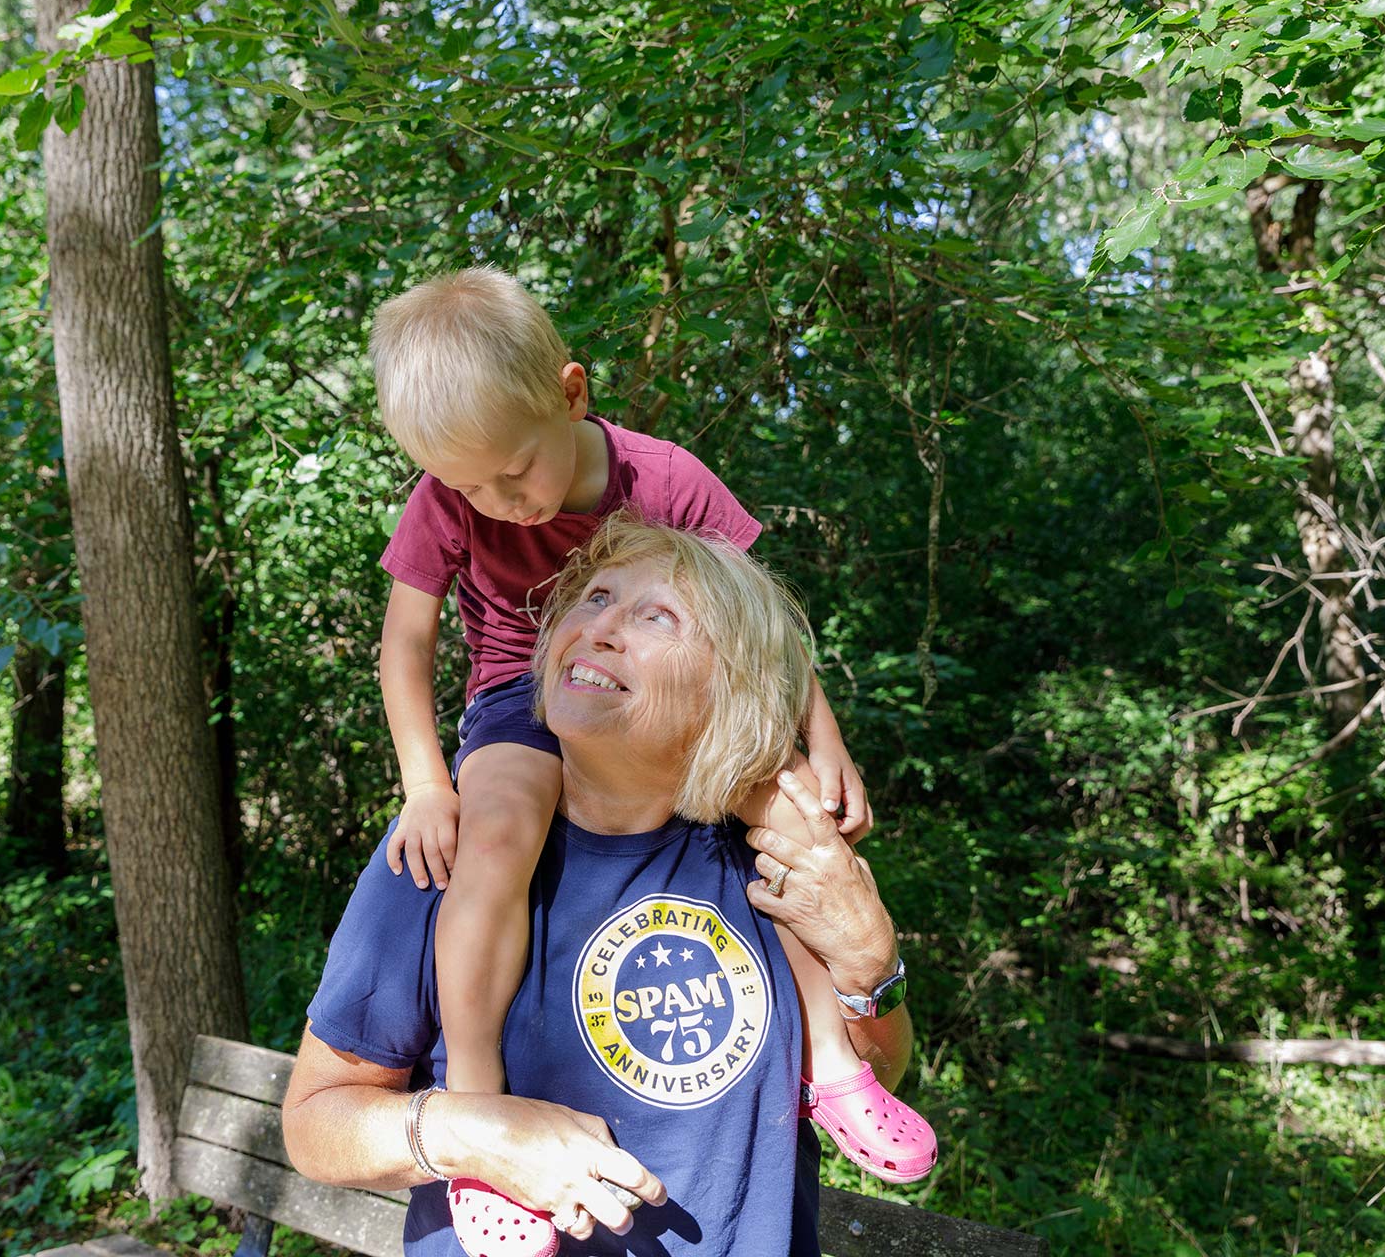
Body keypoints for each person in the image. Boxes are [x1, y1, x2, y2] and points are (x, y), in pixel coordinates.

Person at [370, 267, 928, 1196]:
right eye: (468, 486)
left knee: (791, 814)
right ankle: (476, 1096)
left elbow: (763, 628)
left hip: (677, 697)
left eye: (512, 472)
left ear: (572, 392)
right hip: (523, 689)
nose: (498, 502)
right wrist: (427, 782)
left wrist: (820, 741)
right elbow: (405, 647)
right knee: (497, 831)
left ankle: (830, 1062)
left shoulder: (664, 478)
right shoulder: (447, 500)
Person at [286, 517, 931, 1257]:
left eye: (656, 616)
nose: (599, 629)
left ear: (734, 684)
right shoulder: (450, 848)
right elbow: (314, 1124)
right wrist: (469, 1133)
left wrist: (873, 970)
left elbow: (870, 1075)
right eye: (592, 599)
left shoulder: (766, 848)